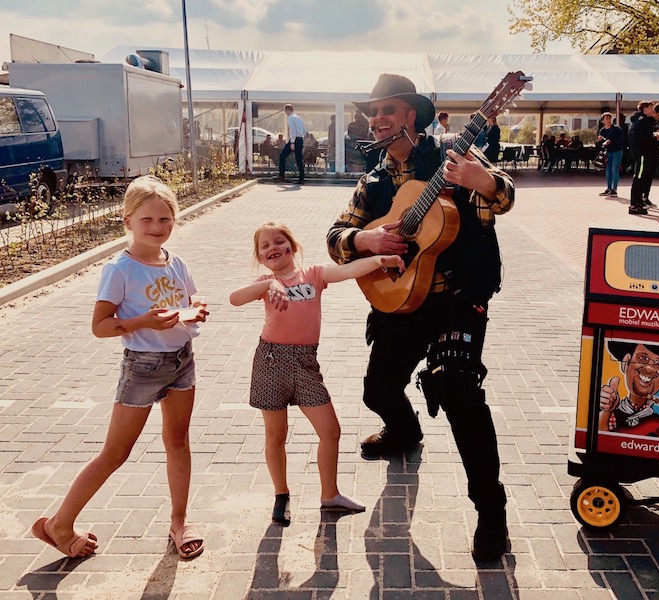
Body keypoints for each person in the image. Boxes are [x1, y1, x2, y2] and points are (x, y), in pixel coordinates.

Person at [326, 72, 514, 560]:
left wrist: (484, 180)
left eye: (388, 109)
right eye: (373, 112)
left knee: (459, 393)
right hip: (399, 299)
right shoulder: (371, 182)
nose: (379, 118)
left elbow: (504, 197)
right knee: (377, 389)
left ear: (412, 116)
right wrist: (364, 240)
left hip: (457, 298)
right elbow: (335, 236)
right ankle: (405, 431)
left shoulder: (452, 160)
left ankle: (491, 510)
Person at [31, 175, 209, 559]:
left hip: (182, 362)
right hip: (143, 367)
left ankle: (179, 522)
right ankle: (59, 524)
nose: (157, 228)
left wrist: (195, 311)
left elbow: (188, 301)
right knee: (116, 453)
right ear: (127, 221)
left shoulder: (176, 262)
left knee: (178, 442)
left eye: (165, 219)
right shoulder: (120, 269)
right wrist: (143, 322)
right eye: (147, 220)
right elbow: (100, 326)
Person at [230, 222, 403, 525]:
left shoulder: (312, 275)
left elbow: (347, 270)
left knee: (330, 431)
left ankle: (330, 495)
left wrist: (379, 260)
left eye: (278, 241)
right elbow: (235, 298)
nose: (272, 248)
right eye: (264, 246)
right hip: (271, 361)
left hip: (306, 363)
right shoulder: (265, 282)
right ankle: (281, 495)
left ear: (292, 246)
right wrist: (269, 285)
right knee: (276, 434)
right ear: (259, 256)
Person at [628, 101, 659, 215]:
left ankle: (638, 202)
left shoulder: (637, 121)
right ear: (645, 109)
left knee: (640, 178)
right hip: (642, 154)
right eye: (651, 108)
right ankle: (634, 205)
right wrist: (655, 137)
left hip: (638, 153)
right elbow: (645, 139)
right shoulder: (643, 121)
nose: (653, 110)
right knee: (639, 178)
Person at [597, 112, 625, 197]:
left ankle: (614, 189)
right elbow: (600, 145)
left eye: (610, 118)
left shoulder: (617, 129)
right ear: (603, 121)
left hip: (617, 151)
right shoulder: (602, 130)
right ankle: (609, 188)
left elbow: (622, 141)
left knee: (614, 169)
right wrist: (599, 141)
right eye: (607, 118)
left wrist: (611, 142)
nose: (609, 120)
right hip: (608, 152)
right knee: (608, 170)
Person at [278, 104, 306, 185]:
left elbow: (292, 131)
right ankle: (301, 178)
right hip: (300, 139)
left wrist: (292, 142)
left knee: (282, 156)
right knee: (299, 159)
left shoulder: (291, 118)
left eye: (285, 111)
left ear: (287, 110)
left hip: (295, 139)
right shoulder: (299, 118)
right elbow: (304, 130)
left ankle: (281, 175)